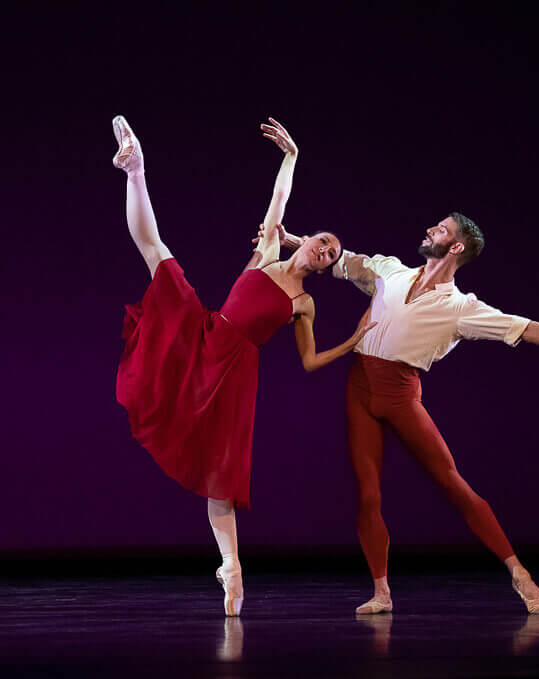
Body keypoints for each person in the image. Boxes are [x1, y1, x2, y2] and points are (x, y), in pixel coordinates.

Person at [261, 215, 539, 616]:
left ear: (456, 248)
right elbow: (338, 260)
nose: (432, 229)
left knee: (452, 483)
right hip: (359, 389)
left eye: (442, 230)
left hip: (400, 394)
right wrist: (294, 240)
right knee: (368, 493)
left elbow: (526, 328)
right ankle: (381, 591)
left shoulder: (460, 308)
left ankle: (520, 573)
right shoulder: (390, 270)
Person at [112, 115, 375, 617]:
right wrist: (291, 157)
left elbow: (309, 361)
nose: (325, 250)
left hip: (236, 375)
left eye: (333, 254)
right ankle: (136, 171)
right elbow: (278, 200)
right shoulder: (269, 250)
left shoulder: (304, 303)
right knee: (158, 254)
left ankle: (232, 572)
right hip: (208, 332)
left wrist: (353, 342)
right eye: (324, 240)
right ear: (309, 239)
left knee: (221, 476)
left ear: (326, 266)